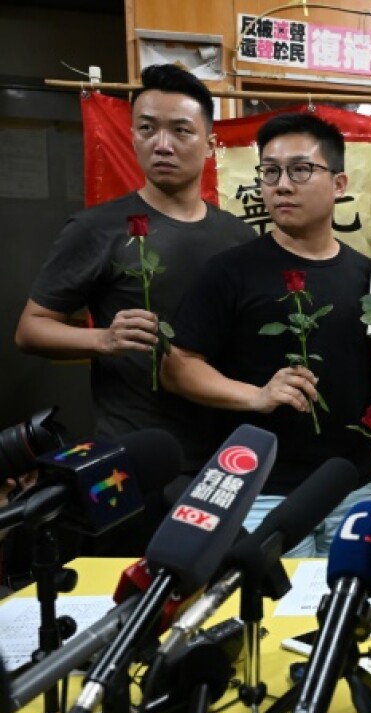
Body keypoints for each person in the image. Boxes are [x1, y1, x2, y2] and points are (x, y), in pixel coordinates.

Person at [14, 64, 252, 471]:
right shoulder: (96, 228)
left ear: (211, 144)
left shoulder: (239, 237)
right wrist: (103, 339)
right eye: (147, 129)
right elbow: (30, 329)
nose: (162, 144)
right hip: (135, 450)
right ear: (132, 138)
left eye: (180, 130)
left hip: (225, 451)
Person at [162, 113, 371, 557]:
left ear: (339, 184)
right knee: (272, 619)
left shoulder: (368, 275)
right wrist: (256, 396)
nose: (282, 185)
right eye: (270, 171)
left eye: (301, 170)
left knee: (354, 614)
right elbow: (177, 366)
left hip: (351, 486)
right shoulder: (231, 271)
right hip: (262, 490)